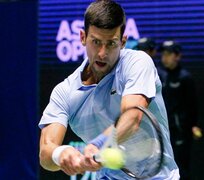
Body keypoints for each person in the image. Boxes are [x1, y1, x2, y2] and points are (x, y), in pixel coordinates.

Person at [39, 1, 179, 179]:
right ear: (82, 37)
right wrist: (62, 154)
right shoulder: (64, 92)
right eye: (96, 42)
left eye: (111, 43)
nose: (102, 53)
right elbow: (45, 152)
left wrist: (98, 144)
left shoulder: (137, 63)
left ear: (123, 42)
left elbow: (132, 117)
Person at [158, 40, 201, 179]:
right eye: (163, 54)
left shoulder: (185, 78)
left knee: (181, 166)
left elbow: (192, 105)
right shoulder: (161, 76)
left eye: (168, 54)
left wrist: (194, 126)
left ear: (177, 56)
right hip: (165, 130)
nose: (165, 57)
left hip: (181, 131)